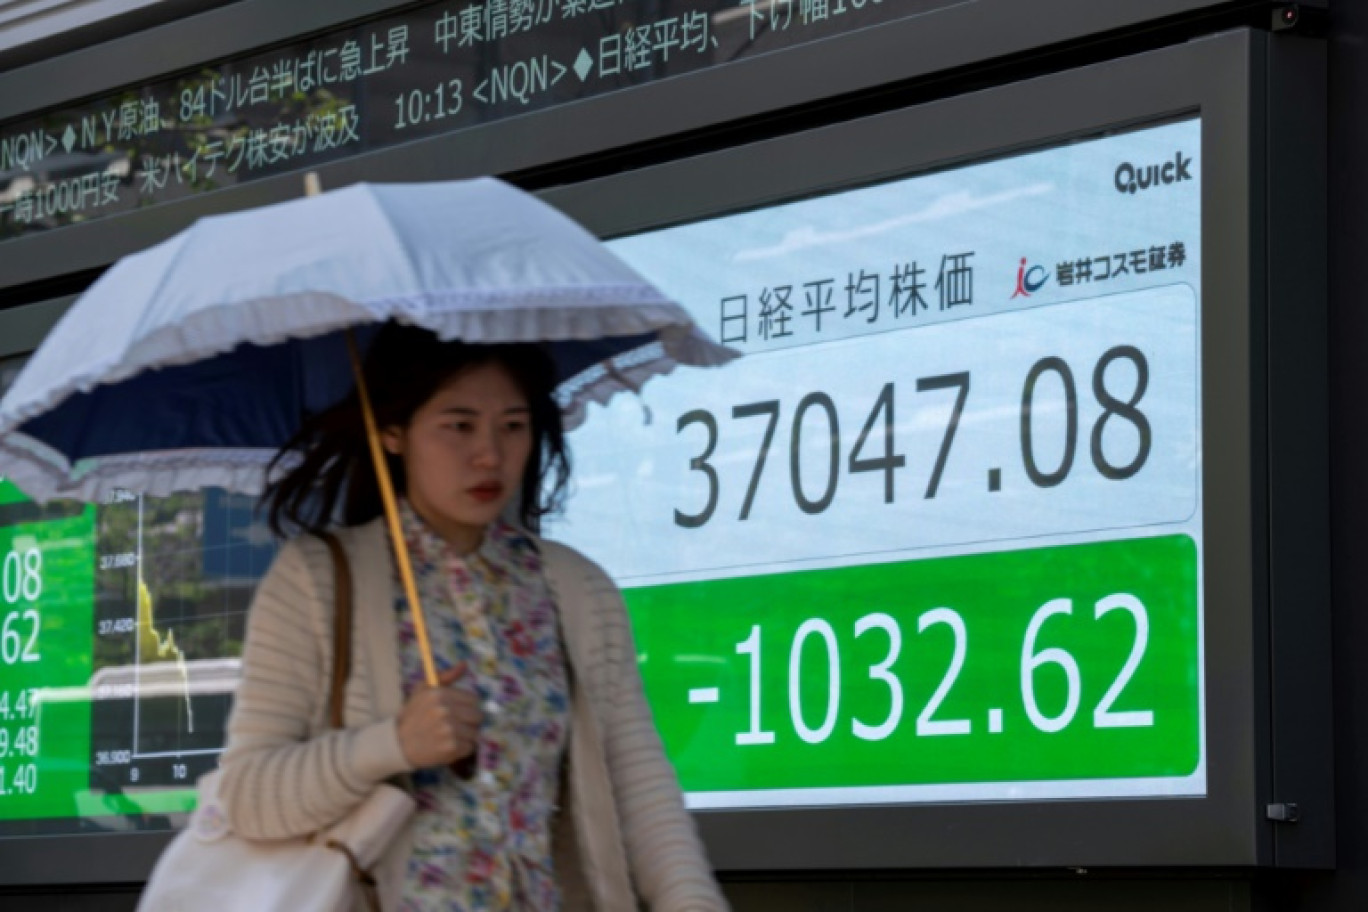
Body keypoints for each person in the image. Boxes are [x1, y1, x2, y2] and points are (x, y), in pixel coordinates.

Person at [218, 324, 727, 912]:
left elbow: (639, 787)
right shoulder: (317, 579)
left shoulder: (577, 589)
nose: (490, 453)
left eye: (512, 425)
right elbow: (247, 797)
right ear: (392, 432)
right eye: (459, 425)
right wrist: (391, 745)